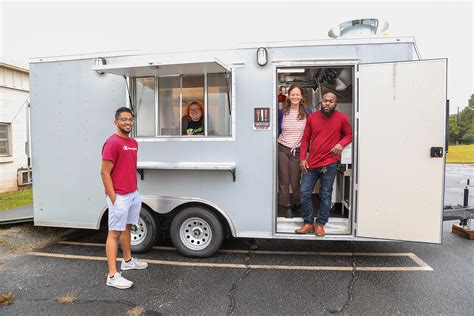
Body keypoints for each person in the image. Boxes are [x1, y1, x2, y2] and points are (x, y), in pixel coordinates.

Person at [101, 107, 148, 289]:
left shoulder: (133, 143)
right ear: (116, 122)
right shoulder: (112, 143)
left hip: (133, 194)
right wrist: (114, 198)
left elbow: (127, 168)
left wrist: (134, 192)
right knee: (114, 233)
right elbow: (104, 173)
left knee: (127, 227)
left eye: (130, 119)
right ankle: (112, 275)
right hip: (119, 196)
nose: (127, 122)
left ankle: (127, 261)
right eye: (123, 119)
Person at [295, 91, 352, 237]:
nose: (327, 103)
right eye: (325, 100)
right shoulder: (312, 117)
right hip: (312, 163)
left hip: (329, 163)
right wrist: (302, 158)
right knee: (304, 192)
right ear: (321, 101)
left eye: (330, 101)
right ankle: (308, 223)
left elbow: (349, 134)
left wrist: (341, 144)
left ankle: (320, 224)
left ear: (335, 104)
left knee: (325, 194)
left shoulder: (342, 118)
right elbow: (306, 139)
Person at [277, 84, 311, 218]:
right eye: (293, 94)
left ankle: (297, 203)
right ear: (288, 96)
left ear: (301, 96)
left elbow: (311, 133)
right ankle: (287, 207)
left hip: (298, 151)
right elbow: (277, 131)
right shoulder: (282, 113)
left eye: (298, 94)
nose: (295, 97)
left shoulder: (308, 113)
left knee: (295, 181)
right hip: (282, 148)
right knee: (284, 180)